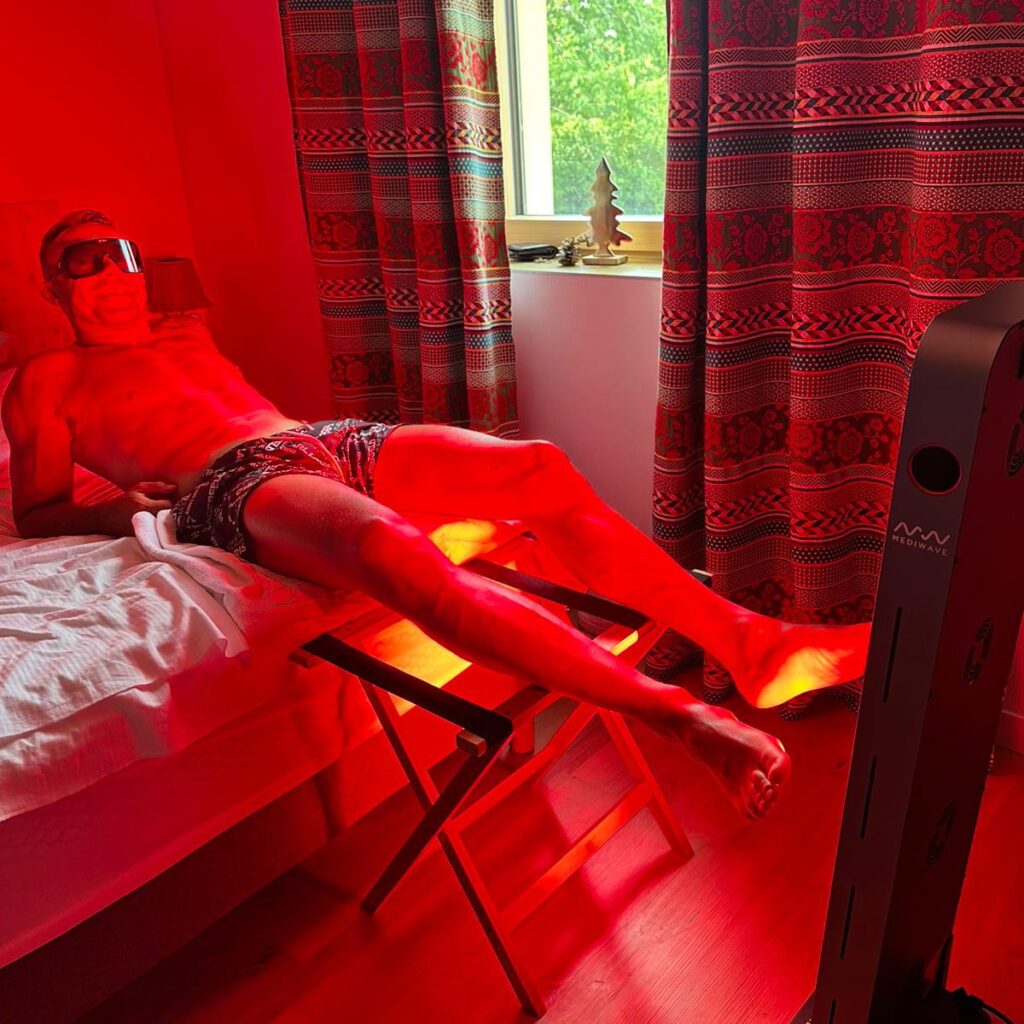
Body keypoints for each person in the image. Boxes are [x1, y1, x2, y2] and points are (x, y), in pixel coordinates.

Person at [2, 210, 871, 821]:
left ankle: (753, 644)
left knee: (537, 468)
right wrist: (119, 516)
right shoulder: (46, 379)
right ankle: (682, 717)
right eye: (83, 260)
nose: (109, 272)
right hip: (229, 483)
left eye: (120, 252)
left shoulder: (188, 334)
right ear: (52, 286)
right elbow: (35, 508)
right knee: (392, 548)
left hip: (319, 439)